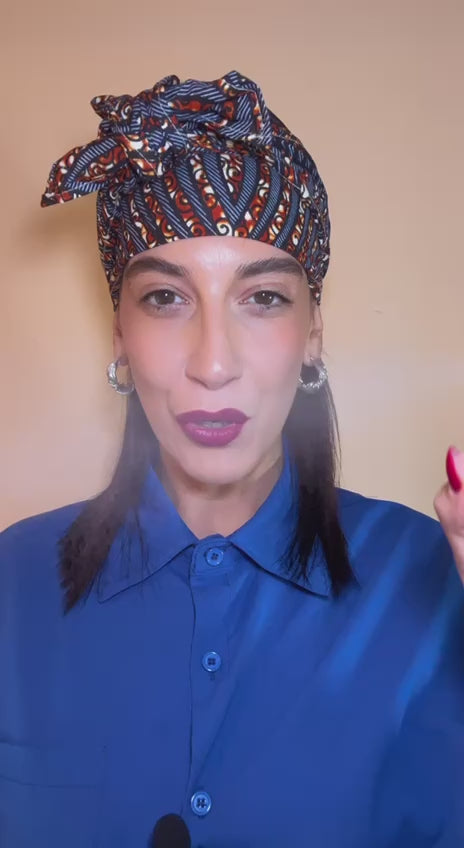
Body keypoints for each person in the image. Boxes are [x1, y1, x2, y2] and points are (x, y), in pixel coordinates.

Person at [0, 71, 463, 848]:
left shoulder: (432, 580)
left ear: (313, 334)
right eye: (165, 298)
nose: (213, 364)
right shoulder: (12, 581)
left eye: (264, 298)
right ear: (120, 335)